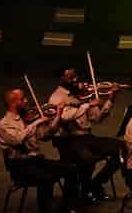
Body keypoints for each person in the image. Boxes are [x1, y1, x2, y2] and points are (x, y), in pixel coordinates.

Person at [0, 89, 86, 213]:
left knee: (72, 168)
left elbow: (46, 134)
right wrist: (36, 122)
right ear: (13, 103)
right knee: (47, 179)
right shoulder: (4, 124)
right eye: (23, 99)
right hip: (20, 166)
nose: (27, 101)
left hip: (37, 161)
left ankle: (67, 209)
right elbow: (17, 139)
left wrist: (58, 115)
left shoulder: (28, 118)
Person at [47, 68, 121, 202]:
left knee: (123, 149)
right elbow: (65, 117)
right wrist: (86, 105)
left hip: (87, 138)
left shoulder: (82, 94)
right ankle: (84, 191)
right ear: (61, 80)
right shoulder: (56, 98)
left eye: (76, 76)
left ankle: (95, 184)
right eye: (71, 78)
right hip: (69, 141)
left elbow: (97, 118)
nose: (76, 80)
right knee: (88, 159)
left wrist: (111, 98)